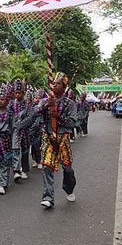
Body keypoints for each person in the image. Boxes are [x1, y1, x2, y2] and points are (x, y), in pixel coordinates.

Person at [38, 73, 78, 209]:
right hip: (48, 137)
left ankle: (69, 188)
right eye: (53, 83)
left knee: (67, 168)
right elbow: (35, 113)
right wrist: (44, 107)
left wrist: (58, 116)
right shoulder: (46, 101)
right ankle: (48, 197)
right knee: (46, 166)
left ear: (64, 87)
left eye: (58, 83)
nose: (55, 85)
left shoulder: (70, 103)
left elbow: (72, 123)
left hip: (63, 138)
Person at [10, 79, 31, 181]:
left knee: (25, 149)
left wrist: (21, 124)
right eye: (16, 93)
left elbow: (30, 117)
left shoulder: (27, 104)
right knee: (16, 149)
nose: (17, 95)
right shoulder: (11, 104)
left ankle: (24, 169)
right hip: (15, 131)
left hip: (25, 130)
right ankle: (17, 170)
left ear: (23, 93)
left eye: (19, 93)